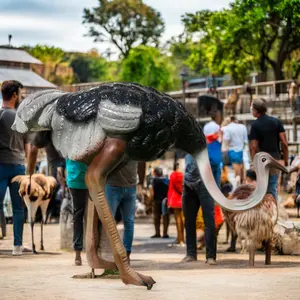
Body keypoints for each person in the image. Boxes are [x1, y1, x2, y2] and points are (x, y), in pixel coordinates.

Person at [0, 80, 30, 255]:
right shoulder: (22, 117)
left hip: (1, 166)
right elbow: (28, 146)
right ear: (14, 95)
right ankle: (17, 246)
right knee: (19, 208)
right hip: (19, 167)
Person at [249, 98, 289, 200]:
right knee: (272, 188)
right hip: (275, 160)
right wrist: (286, 161)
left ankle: (265, 212)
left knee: (262, 190)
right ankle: (274, 213)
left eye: (252, 108)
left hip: (262, 161)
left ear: (256, 110)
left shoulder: (255, 125)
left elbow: (253, 146)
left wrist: (253, 163)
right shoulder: (276, 122)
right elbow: (284, 143)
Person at [182, 154, 216, 265]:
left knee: (209, 220)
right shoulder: (186, 145)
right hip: (188, 183)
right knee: (189, 221)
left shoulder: (206, 143)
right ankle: (191, 253)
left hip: (205, 183)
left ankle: (211, 256)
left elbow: (216, 162)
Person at [105, 160, 138, 263]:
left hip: (117, 186)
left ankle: (119, 254)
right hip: (126, 185)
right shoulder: (135, 146)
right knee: (127, 222)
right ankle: (124, 255)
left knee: (110, 221)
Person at [65, 158, 88, 266]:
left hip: (74, 178)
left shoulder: (68, 142)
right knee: (82, 217)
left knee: (78, 217)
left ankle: (78, 254)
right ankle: (80, 252)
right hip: (83, 179)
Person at [223, 116, 248, 185]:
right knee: (242, 167)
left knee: (236, 169)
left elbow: (226, 140)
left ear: (230, 120)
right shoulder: (243, 127)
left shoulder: (228, 128)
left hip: (233, 150)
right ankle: (243, 183)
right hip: (242, 150)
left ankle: (238, 184)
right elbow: (246, 140)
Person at [203, 111, 222, 187]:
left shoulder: (206, 126)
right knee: (217, 174)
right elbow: (220, 139)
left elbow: (205, 138)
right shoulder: (217, 127)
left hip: (208, 150)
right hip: (215, 150)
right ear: (217, 117)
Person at [168, 162, 184, 245]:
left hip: (175, 199)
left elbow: (170, 188)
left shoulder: (172, 175)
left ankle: (179, 238)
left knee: (177, 219)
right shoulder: (182, 175)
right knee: (182, 219)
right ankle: (182, 238)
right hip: (183, 198)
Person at [151, 167, 170, 239]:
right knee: (166, 217)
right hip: (165, 200)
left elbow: (152, 192)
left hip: (156, 201)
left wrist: (150, 200)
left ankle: (157, 233)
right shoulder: (167, 180)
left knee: (156, 217)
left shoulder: (154, 180)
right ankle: (165, 233)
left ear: (155, 173)